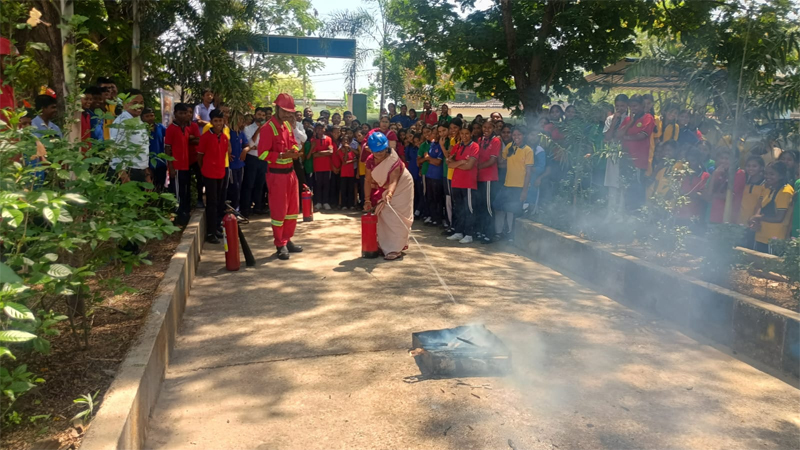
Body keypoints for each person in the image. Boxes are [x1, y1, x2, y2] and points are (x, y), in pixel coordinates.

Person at [258, 93, 304, 260]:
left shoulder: (287, 126)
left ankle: (287, 239)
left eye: (290, 112)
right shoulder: (267, 128)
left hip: (290, 174)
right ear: (277, 108)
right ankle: (280, 244)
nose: (287, 114)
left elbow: (292, 142)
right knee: (279, 212)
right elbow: (262, 154)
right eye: (285, 111)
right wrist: (283, 156)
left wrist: (293, 150)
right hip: (277, 176)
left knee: (292, 211)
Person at [364, 132, 414, 261]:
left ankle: (395, 248)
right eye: (376, 152)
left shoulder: (393, 160)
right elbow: (368, 180)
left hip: (402, 185)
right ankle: (384, 245)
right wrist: (367, 199)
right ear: (370, 150)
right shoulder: (370, 160)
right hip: (386, 187)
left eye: (382, 151)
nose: (380, 154)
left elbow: (393, 181)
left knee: (396, 216)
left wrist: (390, 194)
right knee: (383, 213)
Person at [614, 94, 655, 211]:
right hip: (625, 160)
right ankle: (625, 213)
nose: (633, 108)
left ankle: (636, 215)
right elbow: (617, 135)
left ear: (642, 106)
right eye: (631, 106)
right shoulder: (627, 119)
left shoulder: (648, 118)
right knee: (625, 188)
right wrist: (630, 122)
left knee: (636, 188)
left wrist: (626, 138)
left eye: (636, 106)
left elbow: (642, 135)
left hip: (638, 161)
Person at [495, 127, 534, 239]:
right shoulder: (509, 147)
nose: (516, 137)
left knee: (514, 211)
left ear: (524, 136)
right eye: (514, 135)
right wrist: (497, 145)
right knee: (498, 206)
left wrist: (525, 191)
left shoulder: (528, 150)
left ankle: (511, 235)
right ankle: (501, 232)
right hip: (507, 184)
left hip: (519, 186)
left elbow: (528, 172)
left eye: (519, 135)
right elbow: (502, 161)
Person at [197, 109, 229, 243]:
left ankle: (216, 228)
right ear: (211, 122)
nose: (218, 124)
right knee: (212, 203)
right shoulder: (205, 137)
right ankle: (210, 233)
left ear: (224, 122)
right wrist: (204, 169)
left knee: (220, 202)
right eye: (215, 121)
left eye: (220, 121)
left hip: (221, 173)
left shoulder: (224, 137)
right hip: (209, 174)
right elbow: (200, 156)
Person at [750, 161, 795, 253]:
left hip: (774, 239)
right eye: (766, 173)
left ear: (781, 175)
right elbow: (760, 206)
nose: (767, 177)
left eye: (772, 174)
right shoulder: (768, 187)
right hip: (760, 234)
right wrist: (755, 221)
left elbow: (779, 218)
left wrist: (758, 218)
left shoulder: (785, 192)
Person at [446, 126, 480, 244]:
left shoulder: (474, 146)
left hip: (468, 183)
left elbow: (469, 166)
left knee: (468, 208)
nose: (464, 136)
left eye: (467, 133)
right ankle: (459, 232)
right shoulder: (458, 146)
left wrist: (456, 164)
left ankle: (469, 234)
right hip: (456, 181)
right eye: (462, 133)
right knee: (459, 208)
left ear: (471, 134)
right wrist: (461, 162)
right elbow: (449, 163)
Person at [109, 89, 149, 183]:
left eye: (141, 103)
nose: (139, 106)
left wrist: (146, 174)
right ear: (124, 104)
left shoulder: (139, 121)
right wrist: (123, 176)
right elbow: (116, 150)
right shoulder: (121, 123)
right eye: (134, 103)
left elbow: (143, 149)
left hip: (140, 171)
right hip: (127, 172)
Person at [165, 103, 193, 224]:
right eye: (181, 113)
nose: (184, 115)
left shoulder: (186, 128)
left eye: (185, 113)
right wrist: (171, 167)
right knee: (177, 193)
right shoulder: (171, 129)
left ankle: (184, 213)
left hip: (185, 165)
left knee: (184, 190)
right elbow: (167, 149)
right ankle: (177, 216)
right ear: (175, 114)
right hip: (176, 167)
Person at [703, 147, 745, 224]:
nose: (723, 161)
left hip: (728, 219)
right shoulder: (719, 173)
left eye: (727, 158)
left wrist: (713, 195)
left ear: (735, 160)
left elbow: (729, 196)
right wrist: (714, 175)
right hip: (713, 216)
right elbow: (707, 196)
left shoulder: (739, 174)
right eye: (721, 158)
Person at [475, 120, 501, 243]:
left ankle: (490, 233)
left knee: (488, 206)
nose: (486, 129)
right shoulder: (480, 140)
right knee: (480, 206)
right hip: (479, 177)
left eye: (489, 127)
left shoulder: (496, 140)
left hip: (489, 178)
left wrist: (477, 167)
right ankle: (482, 230)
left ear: (494, 128)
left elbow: (492, 161)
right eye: (484, 127)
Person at [241, 107, 269, 218]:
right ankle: (246, 209)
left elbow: (266, 145)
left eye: (263, 115)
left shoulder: (268, 129)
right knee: (249, 184)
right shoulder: (247, 129)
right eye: (259, 114)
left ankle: (258, 207)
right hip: (251, 159)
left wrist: (258, 147)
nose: (261, 117)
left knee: (260, 184)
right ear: (254, 115)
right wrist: (258, 130)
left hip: (263, 159)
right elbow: (250, 144)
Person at [424, 127, 446, 227]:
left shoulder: (442, 145)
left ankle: (438, 218)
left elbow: (438, 162)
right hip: (429, 174)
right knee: (430, 198)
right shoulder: (432, 144)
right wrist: (429, 159)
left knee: (438, 198)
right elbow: (426, 157)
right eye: (434, 133)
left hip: (438, 175)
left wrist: (429, 158)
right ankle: (433, 218)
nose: (436, 135)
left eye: (438, 133)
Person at [310, 121, 334, 210]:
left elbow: (331, 152)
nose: (320, 130)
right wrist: (325, 152)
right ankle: (319, 202)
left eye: (322, 128)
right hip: (317, 167)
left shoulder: (328, 139)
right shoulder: (313, 140)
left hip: (327, 166)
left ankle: (326, 202)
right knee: (318, 184)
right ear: (316, 129)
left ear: (324, 129)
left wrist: (319, 152)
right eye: (318, 128)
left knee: (326, 184)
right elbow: (313, 154)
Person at [142, 107, 167, 191]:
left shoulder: (160, 127)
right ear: (142, 118)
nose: (150, 118)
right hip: (147, 164)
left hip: (161, 163)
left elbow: (169, 135)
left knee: (160, 186)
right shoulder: (141, 130)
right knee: (149, 188)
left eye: (152, 115)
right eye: (147, 116)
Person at [228, 112, 247, 212]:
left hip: (240, 165)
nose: (241, 122)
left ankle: (237, 208)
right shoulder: (228, 132)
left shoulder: (241, 133)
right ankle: (232, 209)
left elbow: (246, 144)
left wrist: (245, 150)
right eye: (239, 120)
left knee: (239, 187)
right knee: (233, 188)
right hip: (231, 165)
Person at [339, 135, 358, 209]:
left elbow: (356, 157)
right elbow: (344, 161)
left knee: (351, 189)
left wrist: (350, 161)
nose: (345, 142)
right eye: (344, 140)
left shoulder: (351, 150)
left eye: (347, 141)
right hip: (344, 173)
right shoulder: (340, 150)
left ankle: (351, 204)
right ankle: (344, 205)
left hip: (351, 172)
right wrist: (347, 151)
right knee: (344, 189)